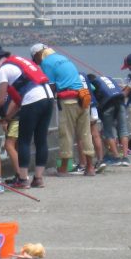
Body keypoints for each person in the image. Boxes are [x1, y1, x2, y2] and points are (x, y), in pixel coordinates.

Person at [0, 45, 53, 189]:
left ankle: (23, 179)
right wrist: (7, 117)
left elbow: (2, 99)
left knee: (24, 140)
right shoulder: (20, 61)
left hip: (33, 99)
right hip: (48, 97)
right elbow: (18, 101)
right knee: (41, 139)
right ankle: (38, 179)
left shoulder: (4, 69)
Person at [31, 44, 95, 176]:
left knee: (66, 133)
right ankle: (90, 167)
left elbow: (51, 87)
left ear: (38, 54)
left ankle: (64, 168)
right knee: (85, 133)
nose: (36, 63)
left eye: (35, 60)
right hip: (83, 98)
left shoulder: (46, 63)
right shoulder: (62, 58)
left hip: (68, 100)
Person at [86, 72, 129, 165]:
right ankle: (125, 158)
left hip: (108, 105)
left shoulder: (92, 83)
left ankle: (116, 157)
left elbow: (94, 98)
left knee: (108, 132)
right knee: (123, 130)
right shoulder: (107, 78)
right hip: (120, 102)